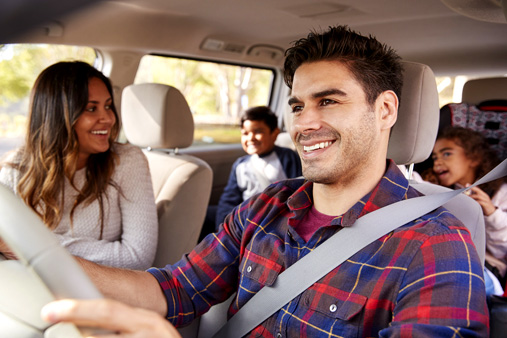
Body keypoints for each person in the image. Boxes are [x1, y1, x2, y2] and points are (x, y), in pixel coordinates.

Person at [42, 26, 488, 336]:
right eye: (297, 107)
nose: (305, 125)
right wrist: (40, 256)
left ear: (385, 110)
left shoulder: (434, 245)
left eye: (328, 101)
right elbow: (173, 289)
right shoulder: (266, 207)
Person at [0, 61, 158, 270]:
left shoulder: (126, 161)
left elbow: (137, 257)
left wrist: (33, 246)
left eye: (108, 106)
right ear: (56, 117)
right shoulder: (16, 170)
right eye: (92, 108)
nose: (108, 118)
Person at [424, 126, 507, 287]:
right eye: (434, 158)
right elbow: (416, 181)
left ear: (474, 158)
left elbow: (503, 250)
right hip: (447, 257)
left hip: (486, 269)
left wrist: (491, 213)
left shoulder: (501, 193)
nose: (438, 161)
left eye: (447, 154)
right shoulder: (442, 192)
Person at [215, 105, 302, 227]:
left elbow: (298, 192)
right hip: (245, 218)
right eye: (245, 133)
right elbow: (228, 199)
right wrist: (223, 226)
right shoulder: (240, 164)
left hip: (275, 217)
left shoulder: (287, 157)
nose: (250, 138)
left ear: (275, 134)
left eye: (258, 132)